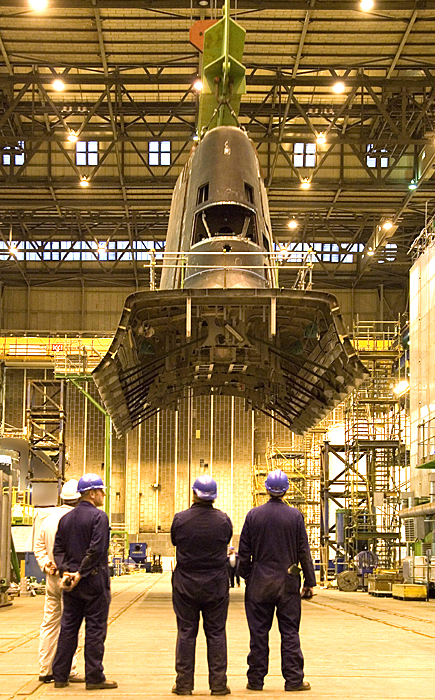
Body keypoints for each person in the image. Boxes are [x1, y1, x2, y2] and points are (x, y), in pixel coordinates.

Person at [239, 469, 316, 693]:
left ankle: (255, 680)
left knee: (258, 633)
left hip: (259, 583)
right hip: (287, 582)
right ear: (286, 490)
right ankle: (293, 680)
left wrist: (248, 575)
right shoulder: (295, 517)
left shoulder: (253, 516)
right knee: (290, 632)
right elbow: (303, 551)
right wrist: (309, 581)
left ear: (266, 489)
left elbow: (244, 553)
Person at [51, 473, 117, 691]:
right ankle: (94, 677)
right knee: (95, 630)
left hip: (71, 584)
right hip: (94, 581)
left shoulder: (66, 519)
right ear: (92, 493)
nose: (104, 494)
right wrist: (81, 573)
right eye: (101, 491)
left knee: (68, 628)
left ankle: (60, 676)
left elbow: (58, 549)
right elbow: (97, 549)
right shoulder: (99, 517)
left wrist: (66, 572)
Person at [171, 475, 233, 696]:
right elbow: (226, 542)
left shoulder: (180, 519)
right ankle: (218, 685)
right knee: (216, 633)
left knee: (186, 633)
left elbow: (175, 541)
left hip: (186, 584)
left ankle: (183, 685)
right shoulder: (223, 521)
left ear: (194, 494)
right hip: (215, 585)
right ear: (214, 496)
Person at [35, 479, 84, 684]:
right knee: (71, 625)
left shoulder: (48, 519)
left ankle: (45, 669)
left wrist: (47, 565)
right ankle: (68, 669)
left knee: (49, 623)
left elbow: (39, 547)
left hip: (51, 579)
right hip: (69, 579)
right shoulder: (76, 521)